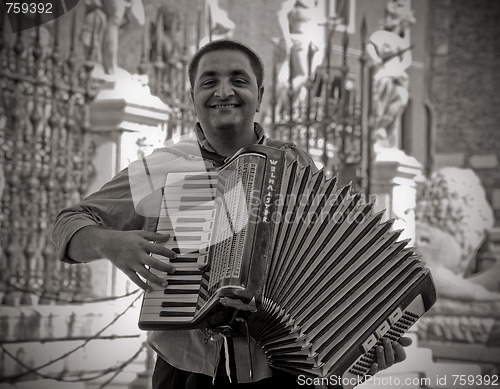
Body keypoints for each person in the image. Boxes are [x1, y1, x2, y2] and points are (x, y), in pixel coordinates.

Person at [52, 39, 410, 388]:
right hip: (189, 374)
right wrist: (110, 244)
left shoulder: (293, 162)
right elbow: (68, 225)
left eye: (239, 80)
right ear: (193, 96)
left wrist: (359, 345)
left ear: (260, 94)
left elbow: (326, 266)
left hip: (281, 370)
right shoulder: (163, 168)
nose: (224, 91)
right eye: (209, 82)